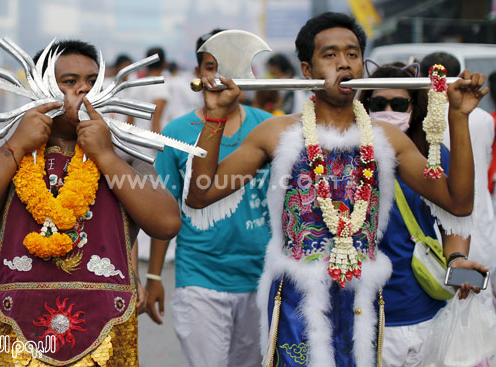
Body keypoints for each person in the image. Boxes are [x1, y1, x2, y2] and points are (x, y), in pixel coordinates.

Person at [185, 12, 486, 367]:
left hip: (364, 300)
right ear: (307, 71)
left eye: (353, 54)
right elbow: (202, 193)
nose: (344, 63)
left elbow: (458, 202)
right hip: (298, 300)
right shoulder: (277, 133)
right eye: (330, 55)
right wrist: (216, 115)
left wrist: (459, 117)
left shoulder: (386, 138)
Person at [0, 40, 181, 366]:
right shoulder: (14, 154)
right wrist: (15, 145)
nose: (83, 90)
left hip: (106, 331)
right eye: (69, 82)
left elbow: (167, 223)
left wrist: (104, 154)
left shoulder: (125, 155)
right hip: (21, 330)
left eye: (92, 81)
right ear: (39, 90)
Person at [144, 29, 273, 367]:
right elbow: (164, 207)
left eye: (231, 66)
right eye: (211, 66)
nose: (219, 76)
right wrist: (154, 276)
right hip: (199, 277)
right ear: (199, 74)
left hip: (261, 280)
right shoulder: (176, 132)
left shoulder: (269, 129)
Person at [358, 62, 488, 367]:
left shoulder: (432, 155)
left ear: (414, 108)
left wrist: (457, 260)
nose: (388, 110)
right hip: (367, 319)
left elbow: (454, 217)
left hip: (428, 313)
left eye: (398, 104)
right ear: (364, 107)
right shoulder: (346, 157)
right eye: (378, 104)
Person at [420, 52, 496, 308]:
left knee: (445, 292)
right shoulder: (484, 118)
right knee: (478, 296)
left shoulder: (423, 118)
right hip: (476, 214)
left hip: (444, 218)